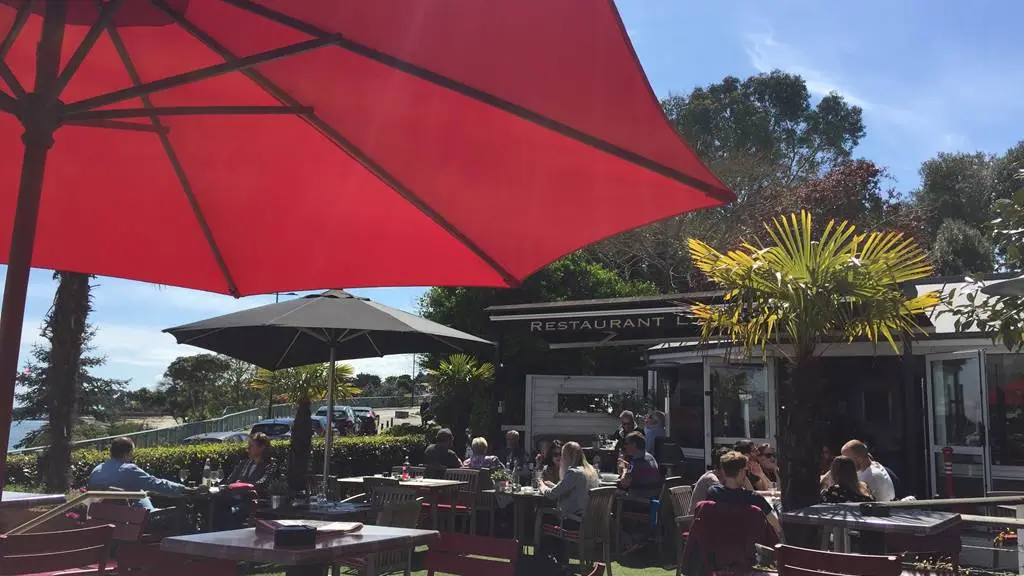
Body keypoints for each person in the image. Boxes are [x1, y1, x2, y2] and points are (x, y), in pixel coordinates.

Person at [88, 437, 195, 510]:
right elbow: (156, 483)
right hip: (135, 522)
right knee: (179, 515)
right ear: (128, 453)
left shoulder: (97, 470)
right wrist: (187, 490)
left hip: (105, 519)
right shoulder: (129, 470)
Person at [538, 442, 599, 560]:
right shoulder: (590, 470)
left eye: (562, 454)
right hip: (591, 523)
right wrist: (554, 486)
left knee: (543, 516)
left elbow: (551, 495)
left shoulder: (573, 472)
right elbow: (574, 490)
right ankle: (559, 561)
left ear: (568, 457)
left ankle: (549, 562)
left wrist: (541, 485)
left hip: (575, 522)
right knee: (550, 517)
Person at [706, 451, 782, 537]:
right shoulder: (754, 499)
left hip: (719, 543)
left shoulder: (713, 492)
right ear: (741, 472)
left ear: (724, 470)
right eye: (745, 471)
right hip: (749, 547)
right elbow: (776, 527)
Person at [617, 431, 662, 498]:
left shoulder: (636, 461)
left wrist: (624, 468)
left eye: (626, 443)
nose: (625, 446)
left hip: (641, 501)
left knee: (613, 492)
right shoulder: (650, 457)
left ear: (634, 444)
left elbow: (624, 483)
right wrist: (628, 467)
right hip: (653, 497)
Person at [690, 447, 730, 514]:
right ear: (717, 467)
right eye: (727, 466)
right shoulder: (711, 478)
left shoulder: (724, 478)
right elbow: (725, 496)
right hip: (697, 520)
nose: (730, 469)